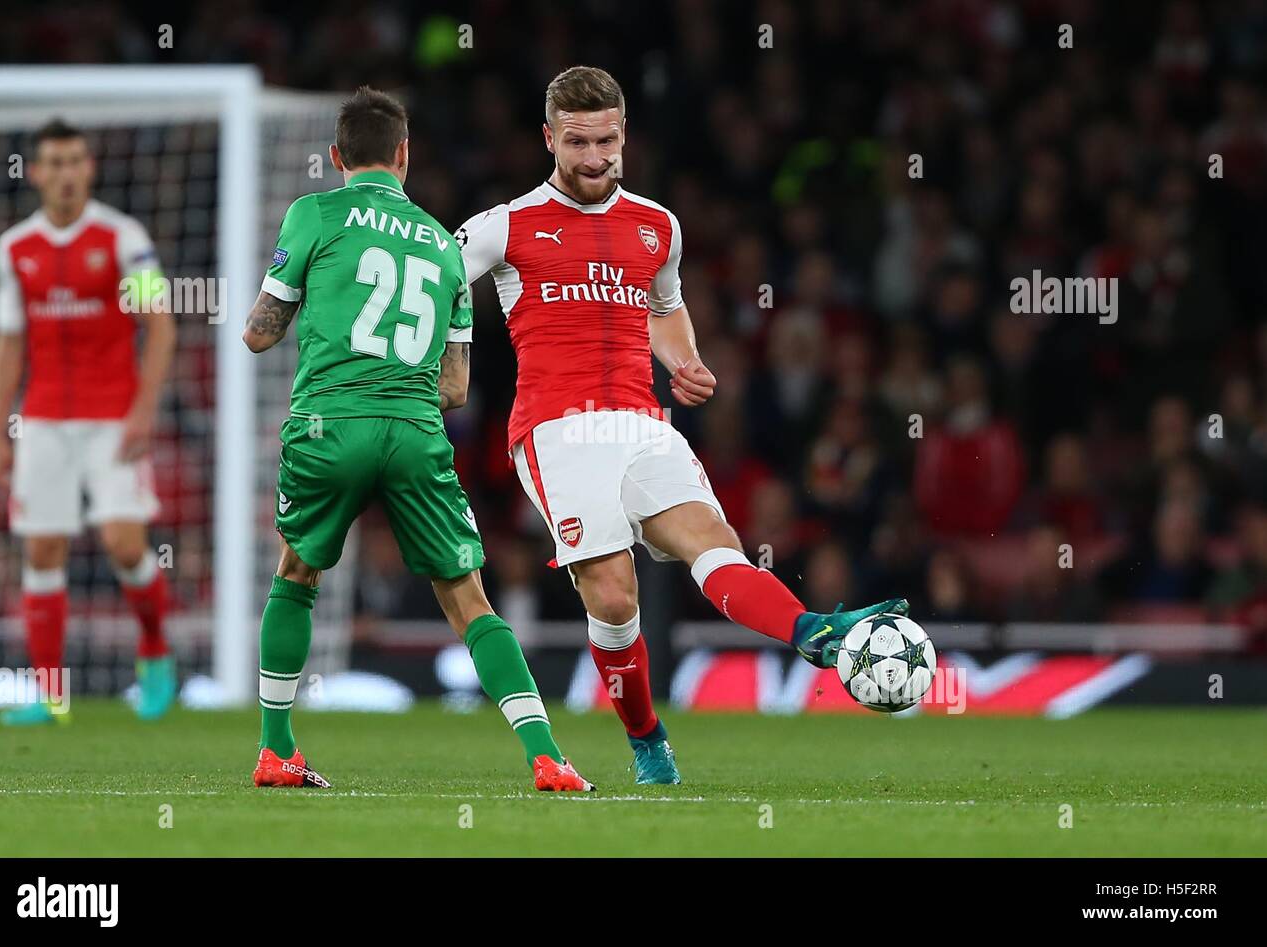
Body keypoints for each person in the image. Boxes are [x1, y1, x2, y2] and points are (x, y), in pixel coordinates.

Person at [457, 67, 907, 785]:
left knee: (713, 542)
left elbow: (663, 307)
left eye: (607, 139)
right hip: (556, 430)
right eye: (578, 142)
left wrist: (685, 360)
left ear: (624, 133)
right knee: (612, 595)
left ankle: (809, 631)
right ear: (549, 139)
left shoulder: (657, 225)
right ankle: (646, 737)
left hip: (641, 420)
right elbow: (439, 279)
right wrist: (444, 363)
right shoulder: (505, 225)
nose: (596, 156)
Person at [243, 87, 592, 791]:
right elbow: (457, 388)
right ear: (405, 155)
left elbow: (260, 332)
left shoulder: (315, 212)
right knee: (468, 596)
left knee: (297, 574)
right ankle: (545, 754)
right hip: (412, 428)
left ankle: (278, 749)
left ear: (337, 156)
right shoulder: (442, 242)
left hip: (328, 423)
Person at [0, 119, 177, 725]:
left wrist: (145, 409)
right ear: (36, 173)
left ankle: (155, 649)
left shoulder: (124, 238)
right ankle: (50, 695)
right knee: (42, 549)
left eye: (75, 161)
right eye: (54, 163)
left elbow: (162, 323)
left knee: (124, 544)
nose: (65, 173)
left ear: (88, 168)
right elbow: (9, 343)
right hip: (42, 419)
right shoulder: (14, 248)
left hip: (113, 416)